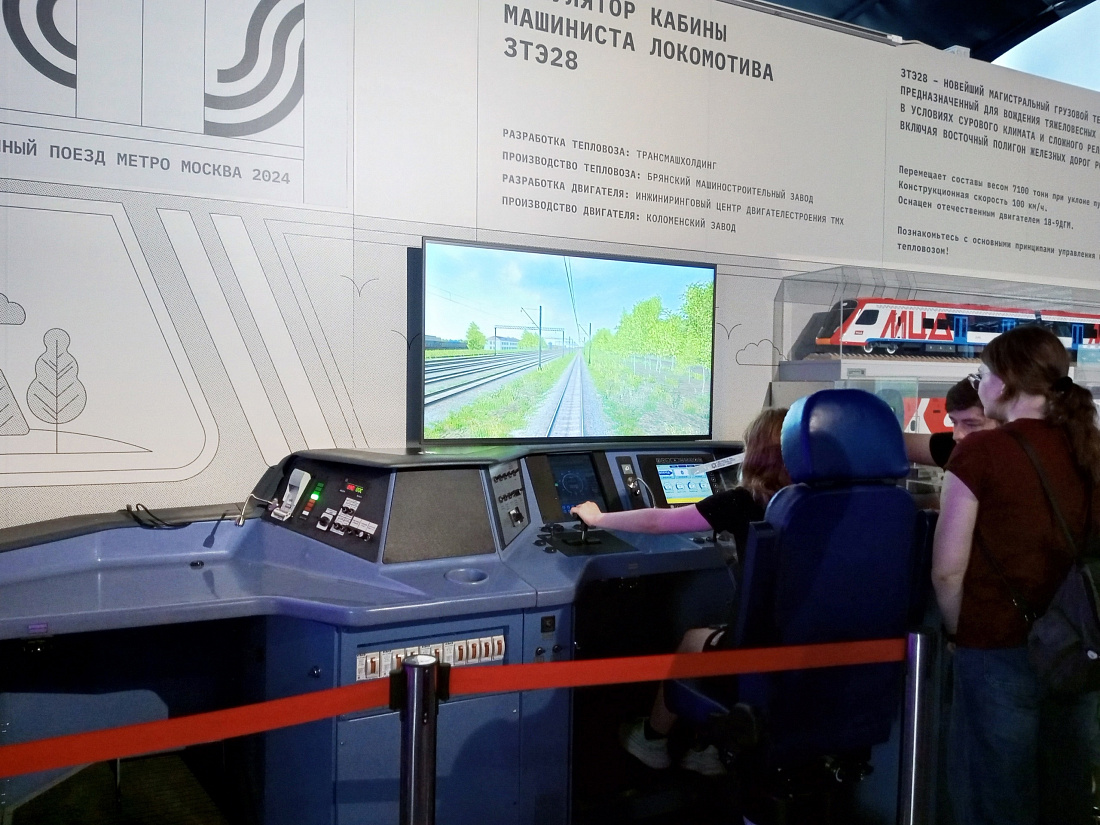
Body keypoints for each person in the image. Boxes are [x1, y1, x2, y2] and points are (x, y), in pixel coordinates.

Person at [932, 324, 1100, 825]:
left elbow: (947, 570)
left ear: (1004, 382)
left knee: (997, 799)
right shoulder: (1088, 448)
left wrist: (957, 631)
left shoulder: (981, 452)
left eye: (982, 374)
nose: (979, 384)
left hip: (996, 646)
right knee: (1068, 793)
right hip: (1077, 646)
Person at [570, 407, 790, 776]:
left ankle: (652, 740)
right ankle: (708, 747)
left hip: (758, 647)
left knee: (692, 639)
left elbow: (660, 521)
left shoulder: (742, 501)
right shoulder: (816, 504)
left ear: (755, 454)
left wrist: (598, 518)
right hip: (804, 641)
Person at [904, 376, 998, 468]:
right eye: (953, 422)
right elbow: (899, 444)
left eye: (971, 424)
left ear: (1003, 423)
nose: (956, 435)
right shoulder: (958, 450)